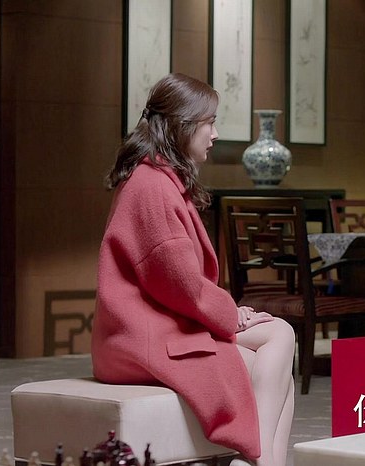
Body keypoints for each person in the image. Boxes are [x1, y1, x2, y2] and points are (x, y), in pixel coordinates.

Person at [91, 73, 295, 466]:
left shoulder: (154, 178)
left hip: (154, 326)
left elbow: (180, 285)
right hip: (145, 338)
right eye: (210, 123)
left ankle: (259, 462)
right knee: (277, 348)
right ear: (183, 125)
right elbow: (181, 286)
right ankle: (258, 461)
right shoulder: (153, 186)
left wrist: (229, 314)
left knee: (280, 343)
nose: (215, 134)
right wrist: (231, 315)